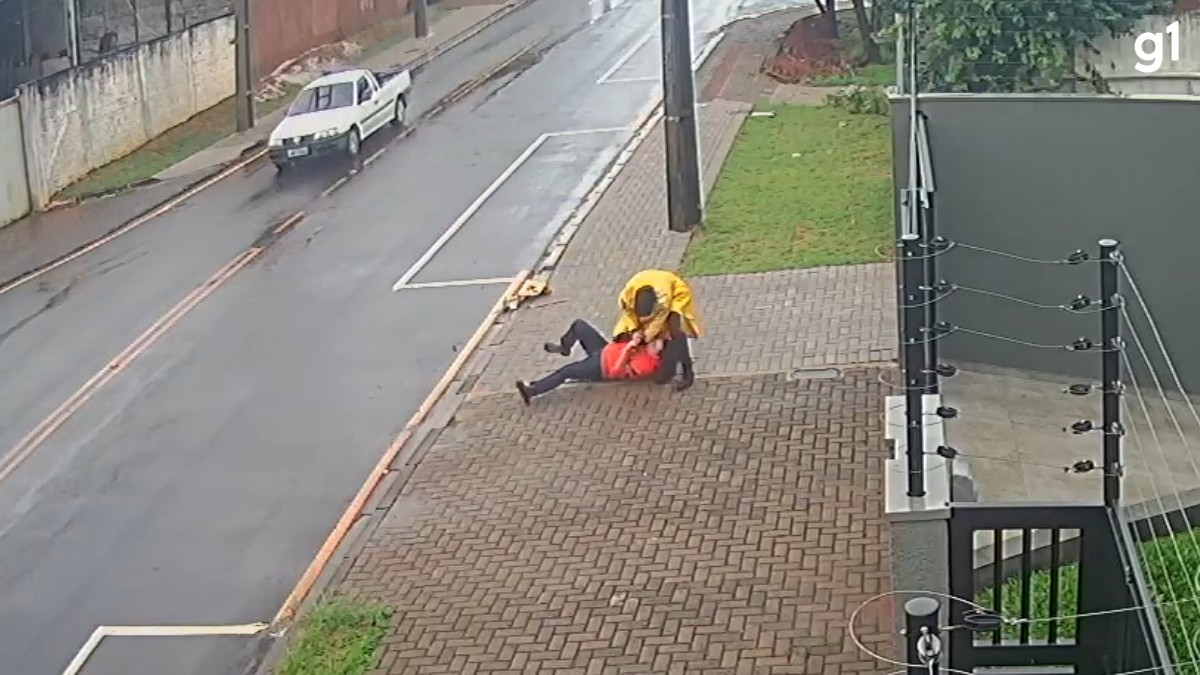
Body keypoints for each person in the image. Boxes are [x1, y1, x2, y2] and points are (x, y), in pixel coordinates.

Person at [516, 319, 663, 404]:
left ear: (658, 353)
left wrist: (629, 348)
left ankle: (533, 390)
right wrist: (635, 336)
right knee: (579, 325)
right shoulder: (645, 345)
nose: (651, 342)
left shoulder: (647, 365)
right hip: (604, 350)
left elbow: (616, 371)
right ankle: (565, 347)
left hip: (601, 367)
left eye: (655, 344)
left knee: (567, 371)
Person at [613, 269, 702, 390]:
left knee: (673, 327)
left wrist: (646, 337)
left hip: (675, 291)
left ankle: (688, 371)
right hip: (648, 284)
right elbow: (629, 315)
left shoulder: (663, 301)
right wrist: (635, 331)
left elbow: (659, 321)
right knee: (631, 330)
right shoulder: (626, 297)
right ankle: (663, 353)